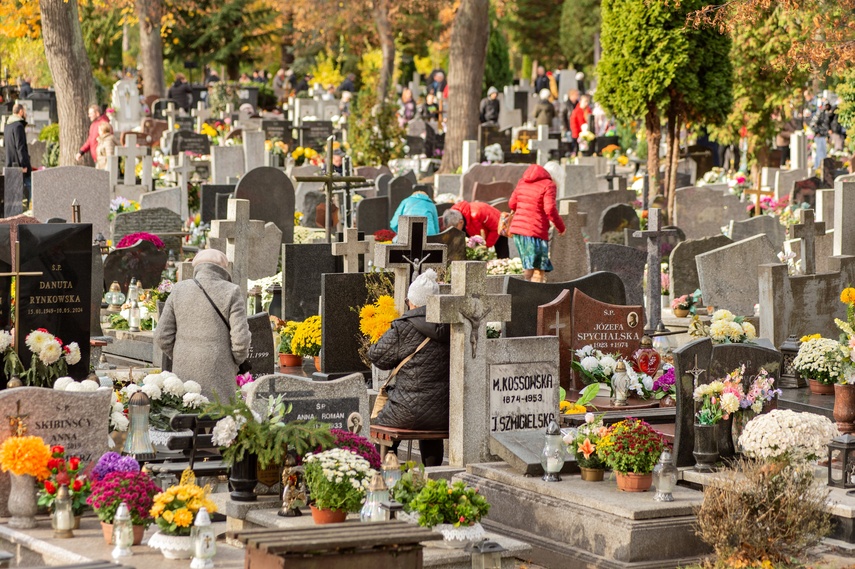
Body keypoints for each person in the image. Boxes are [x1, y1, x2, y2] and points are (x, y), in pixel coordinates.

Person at [369, 269, 449, 466]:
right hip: (444, 413)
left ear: (412, 302)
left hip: (405, 410)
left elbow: (378, 357)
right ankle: (433, 476)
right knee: (431, 430)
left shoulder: (403, 327)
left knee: (381, 423)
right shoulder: (451, 325)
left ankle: (388, 473)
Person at [155, 249, 251, 401]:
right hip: (219, 374)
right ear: (224, 268)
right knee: (220, 422)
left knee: (185, 419)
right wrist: (232, 362)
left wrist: (182, 355)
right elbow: (241, 340)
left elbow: (161, 336)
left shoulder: (178, 289)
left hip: (183, 374)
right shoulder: (231, 291)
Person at [508, 164, 565, 282]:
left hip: (519, 232)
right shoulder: (549, 185)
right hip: (535, 230)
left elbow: (512, 204)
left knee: (528, 267)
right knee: (539, 269)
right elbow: (550, 209)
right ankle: (533, 298)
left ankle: (525, 294)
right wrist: (561, 227)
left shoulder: (523, 182)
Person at [443, 200, 509, 258]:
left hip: (498, 227)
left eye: (454, 229)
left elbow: (496, 228)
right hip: (475, 229)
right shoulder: (452, 215)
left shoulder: (477, 213)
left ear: (461, 222)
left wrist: (486, 246)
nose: (453, 232)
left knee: (502, 254)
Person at [3, 103, 31, 201]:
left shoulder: (7, 126)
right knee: (29, 190)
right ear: (20, 112)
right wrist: (24, 166)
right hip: (20, 166)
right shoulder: (18, 126)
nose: (26, 114)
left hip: (10, 165)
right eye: (25, 111)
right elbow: (20, 147)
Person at [811, 102, 831, 169]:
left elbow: (827, 125)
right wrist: (817, 132)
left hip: (824, 136)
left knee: (823, 153)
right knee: (819, 152)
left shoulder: (826, 114)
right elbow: (813, 124)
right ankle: (818, 167)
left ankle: (821, 167)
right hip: (820, 136)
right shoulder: (820, 113)